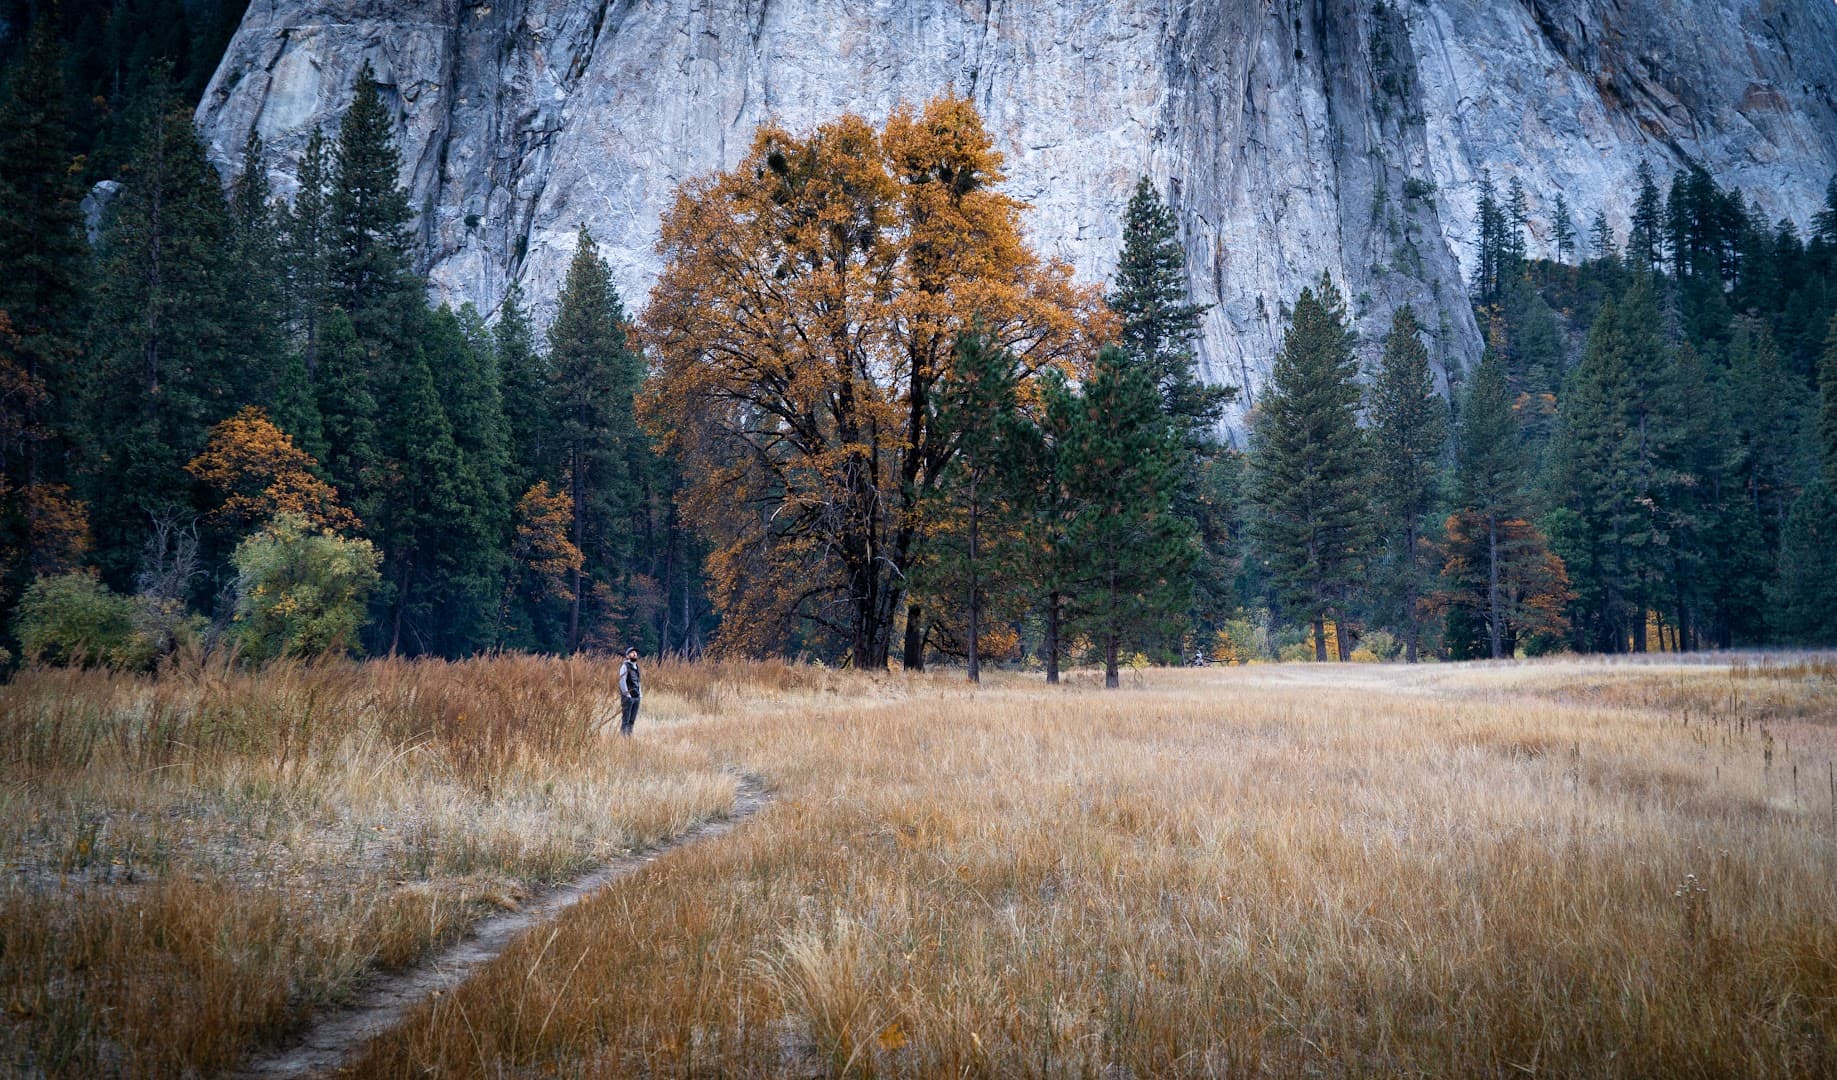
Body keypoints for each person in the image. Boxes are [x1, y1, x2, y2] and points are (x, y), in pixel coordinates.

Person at [617, 647, 642, 736]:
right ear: (627, 656)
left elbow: (638, 682)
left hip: (636, 697)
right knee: (626, 719)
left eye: (635, 652)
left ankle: (629, 738)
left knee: (632, 720)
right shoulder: (625, 666)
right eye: (632, 652)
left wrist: (640, 695)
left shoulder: (637, 667)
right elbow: (622, 681)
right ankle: (623, 738)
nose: (634, 654)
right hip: (628, 697)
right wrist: (627, 695)